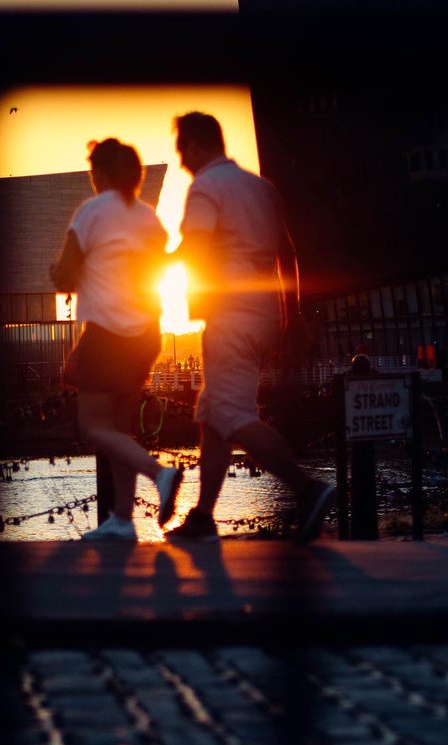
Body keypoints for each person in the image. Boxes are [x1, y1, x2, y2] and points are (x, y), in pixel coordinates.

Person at [166, 111, 336, 544]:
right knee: (212, 414)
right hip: (264, 316)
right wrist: (292, 313)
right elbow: (288, 252)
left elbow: (195, 247)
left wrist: (151, 264)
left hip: (229, 314)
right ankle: (203, 516)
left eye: (183, 149)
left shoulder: (207, 185)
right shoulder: (262, 188)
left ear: (198, 145)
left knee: (232, 414)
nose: (181, 160)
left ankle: (307, 488)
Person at [51, 138, 182, 541]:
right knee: (121, 432)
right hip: (146, 333)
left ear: (103, 174)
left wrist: (60, 272)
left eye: (94, 172)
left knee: (93, 426)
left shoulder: (91, 211)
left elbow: (65, 275)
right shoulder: (148, 218)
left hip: (108, 333)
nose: (92, 179)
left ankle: (159, 474)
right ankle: (123, 520)